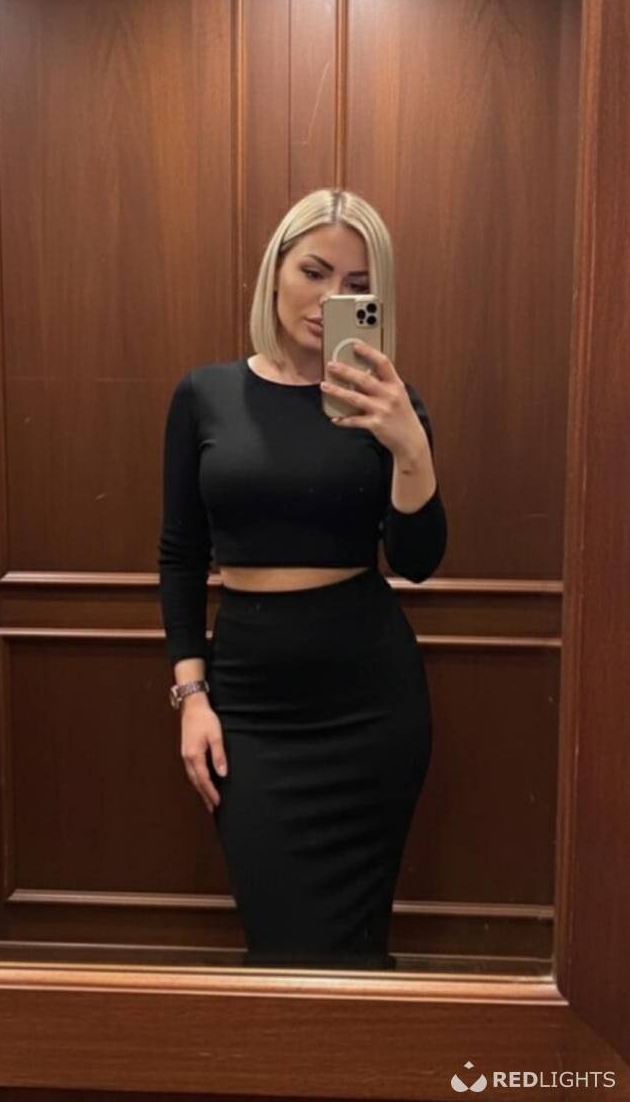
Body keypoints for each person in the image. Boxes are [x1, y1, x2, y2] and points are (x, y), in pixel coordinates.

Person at [157, 186, 447, 970]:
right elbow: (180, 556)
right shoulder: (206, 395)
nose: (327, 299)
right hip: (251, 707)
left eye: (356, 286)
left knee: (357, 947)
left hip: (370, 704)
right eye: (314, 271)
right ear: (276, 271)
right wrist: (192, 697)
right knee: (279, 944)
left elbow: (418, 561)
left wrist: (409, 446)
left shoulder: (389, 403)